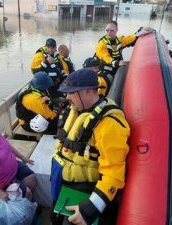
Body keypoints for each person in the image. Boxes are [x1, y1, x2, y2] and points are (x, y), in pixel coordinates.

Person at [50, 68, 130, 225]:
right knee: (55, 218)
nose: (67, 97)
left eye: (71, 93)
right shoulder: (78, 109)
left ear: (87, 91)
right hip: (62, 178)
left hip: (82, 187)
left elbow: (114, 172)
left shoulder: (109, 126)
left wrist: (91, 208)